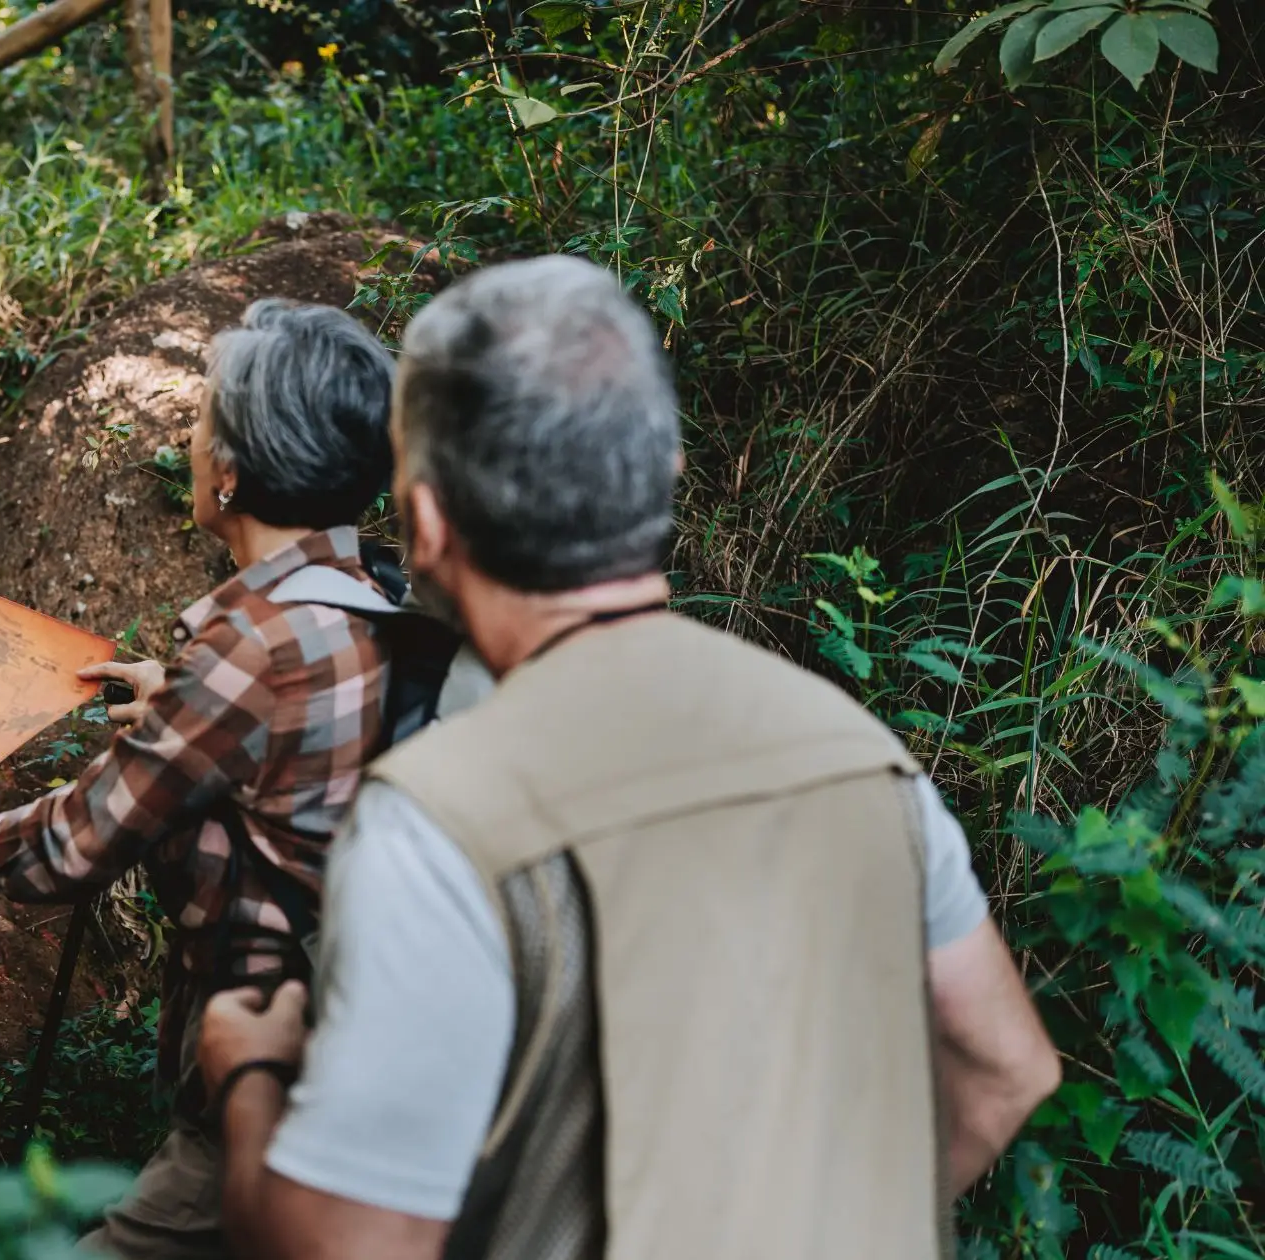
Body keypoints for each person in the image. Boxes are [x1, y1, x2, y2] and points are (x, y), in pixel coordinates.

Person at [198, 257, 1062, 1260]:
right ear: (663, 476)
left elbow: (349, 1247)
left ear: (426, 524)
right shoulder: (861, 758)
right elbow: (1006, 1071)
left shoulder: (437, 820)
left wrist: (249, 1075)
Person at [0, 299, 401, 1260]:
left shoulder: (253, 643)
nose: (191, 443)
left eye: (203, 421)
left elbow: (69, 848)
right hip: (354, 1045)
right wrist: (181, 696)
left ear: (233, 468)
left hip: (263, 1078)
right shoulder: (370, 599)